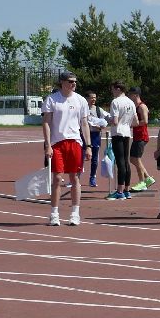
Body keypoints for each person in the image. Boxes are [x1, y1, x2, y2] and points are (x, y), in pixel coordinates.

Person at [41, 71, 89, 226]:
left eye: (75, 81)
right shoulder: (52, 99)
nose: (73, 84)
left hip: (75, 142)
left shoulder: (81, 100)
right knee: (56, 178)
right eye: (70, 81)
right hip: (57, 143)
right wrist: (48, 144)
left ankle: (75, 213)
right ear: (62, 82)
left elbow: (84, 124)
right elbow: (47, 123)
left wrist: (88, 145)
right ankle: (54, 214)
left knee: (74, 178)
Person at [105, 81, 135, 199]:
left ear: (117, 89)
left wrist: (107, 118)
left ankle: (120, 191)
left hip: (118, 132)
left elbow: (115, 121)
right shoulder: (131, 102)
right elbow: (135, 121)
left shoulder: (115, 102)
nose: (112, 91)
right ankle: (126, 190)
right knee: (126, 161)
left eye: (112, 89)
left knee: (120, 161)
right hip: (127, 131)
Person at [128, 86, 154, 191]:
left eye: (131, 94)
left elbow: (145, 121)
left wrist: (132, 124)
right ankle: (147, 178)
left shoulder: (142, 106)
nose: (129, 96)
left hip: (142, 136)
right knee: (133, 159)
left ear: (136, 95)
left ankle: (142, 182)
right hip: (137, 136)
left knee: (136, 159)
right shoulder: (135, 106)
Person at [83, 89, 107, 188]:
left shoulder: (98, 110)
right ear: (87, 98)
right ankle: (75, 177)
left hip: (95, 135)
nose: (94, 99)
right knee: (80, 157)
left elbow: (104, 123)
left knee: (94, 158)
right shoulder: (82, 108)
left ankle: (92, 177)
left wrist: (99, 126)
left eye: (95, 97)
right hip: (83, 135)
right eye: (92, 97)